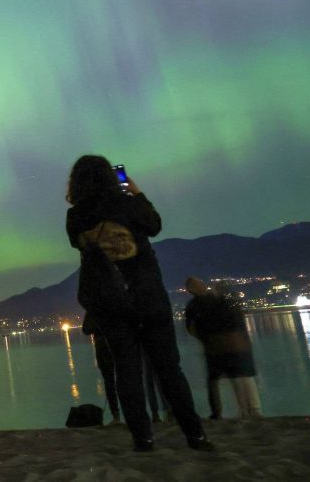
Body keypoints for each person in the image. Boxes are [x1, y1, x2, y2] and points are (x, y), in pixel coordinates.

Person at [66, 155, 213, 452]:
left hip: (109, 302)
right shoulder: (128, 204)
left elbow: (78, 244)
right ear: (111, 178)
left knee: (126, 371)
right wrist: (136, 192)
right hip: (147, 296)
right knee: (169, 369)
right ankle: (195, 435)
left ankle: (142, 439)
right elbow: (155, 225)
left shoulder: (75, 217)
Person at [185, 277, 262, 418]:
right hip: (227, 345)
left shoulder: (206, 304)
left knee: (234, 378)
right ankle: (248, 410)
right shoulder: (212, 303)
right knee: (238, 377)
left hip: (224, 345)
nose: (203, 285)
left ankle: (244, 410)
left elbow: (194, 328)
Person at [82, 314, 121, 423]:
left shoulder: (94, 308)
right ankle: (129, 413)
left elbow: (86, 329)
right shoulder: (114, 305)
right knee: (121, 381)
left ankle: (116, 415)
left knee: (110, 383)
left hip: (104, 350)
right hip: (118, 347)